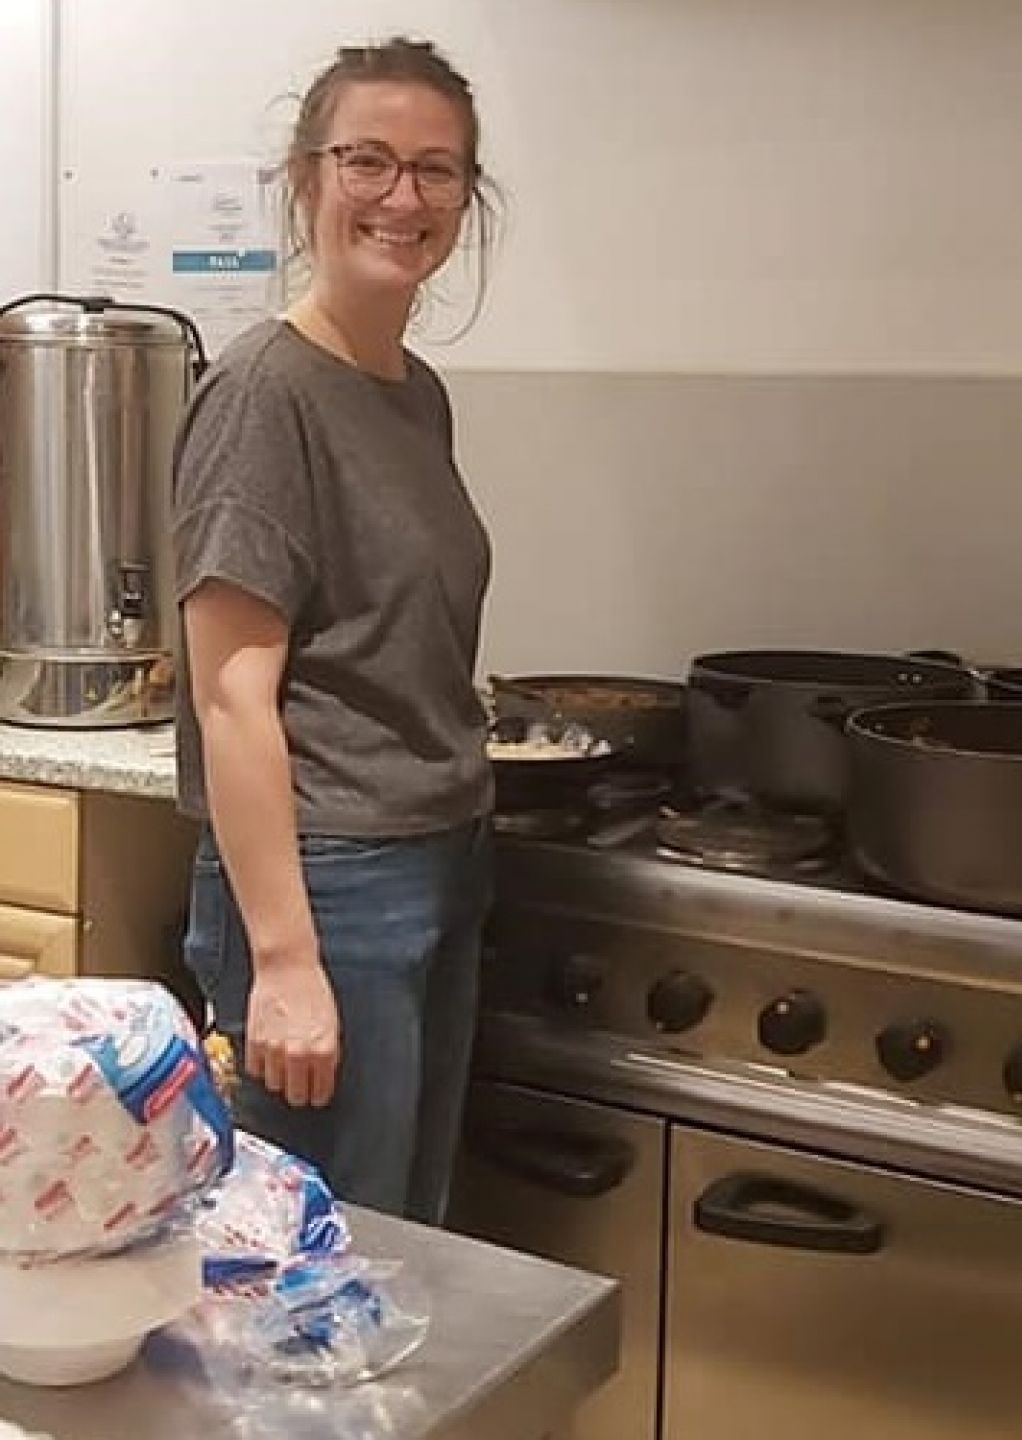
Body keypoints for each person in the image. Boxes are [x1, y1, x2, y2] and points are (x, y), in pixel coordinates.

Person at [173, 36, 500, 1223]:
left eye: (437, 169)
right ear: (306, 177)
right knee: (314, 1275)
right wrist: (286, 963)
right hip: (329, 888)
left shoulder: (414, 392)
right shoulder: (266, 393)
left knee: (404, 1243)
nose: (402, 197)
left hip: (437, 853)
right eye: (368, 159)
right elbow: (231, 699)